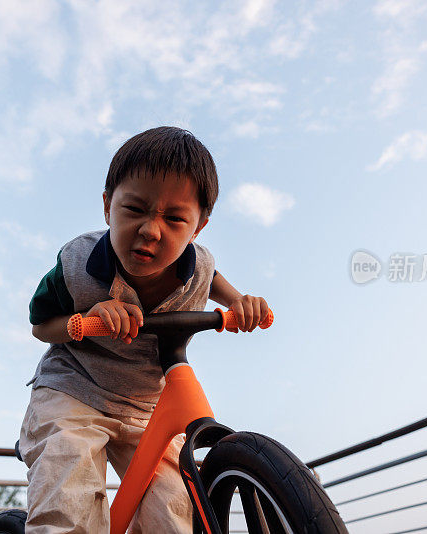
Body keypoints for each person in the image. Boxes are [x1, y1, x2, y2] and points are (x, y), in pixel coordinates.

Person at [20, 126, 269, 533]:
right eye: (135, 210)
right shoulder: (77, 263)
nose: (152, 230)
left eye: (174, 219)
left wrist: (239, 301)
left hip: (145, 409)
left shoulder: (198, 265)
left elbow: (210, 276)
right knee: (69, 488)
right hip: (74, 391)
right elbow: (41, 326)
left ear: (198, 228)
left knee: (174, 508)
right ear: (107, 207)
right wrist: (86, 320)